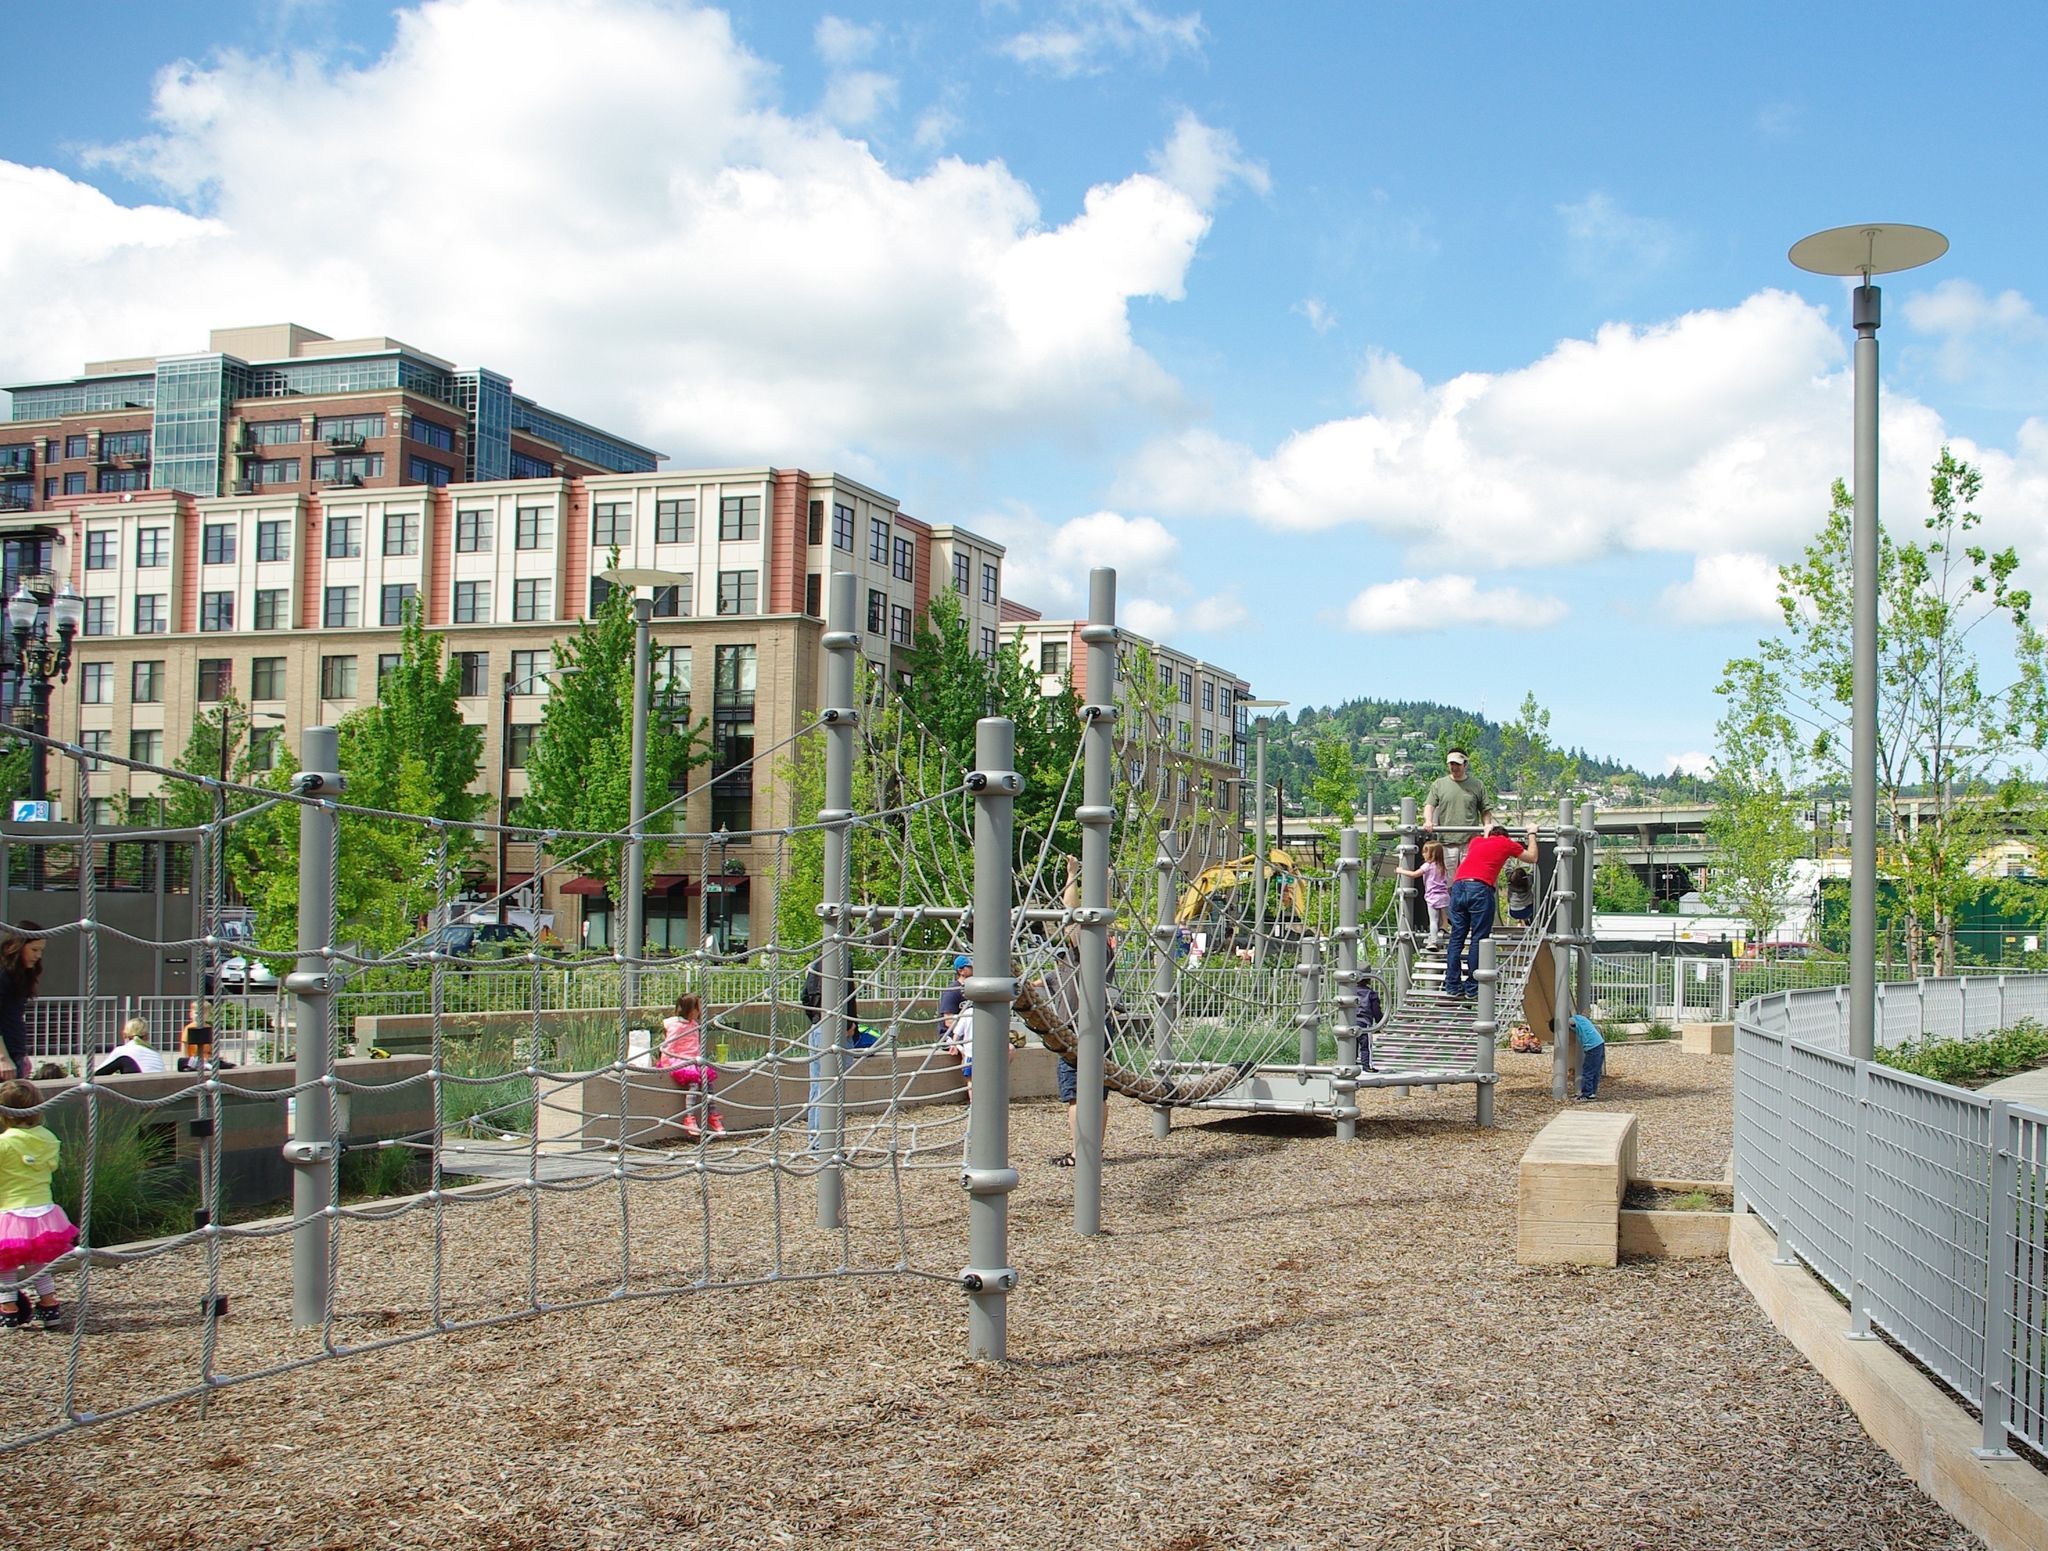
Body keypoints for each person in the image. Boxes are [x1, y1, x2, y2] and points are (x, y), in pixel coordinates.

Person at [0, 1078, 77, 1329]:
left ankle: (9, 1310)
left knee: (6, 1265)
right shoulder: (48, 1138)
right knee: (39, 1264)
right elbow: (51, 1165)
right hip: (44, 1212)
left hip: (11, 1212)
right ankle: (49, 1305)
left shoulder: (4, 1142)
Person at [1443, 822, 1538, 999]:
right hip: (1480, 888)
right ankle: (1472, 987)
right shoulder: (1506, 843)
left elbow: (1485, 843)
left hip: (1458, 886)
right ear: (1506, 836)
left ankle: (1452, 985)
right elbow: (1532, 857)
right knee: (1478, 938)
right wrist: (1532, 833)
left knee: (1457, 937)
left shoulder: (1476, 842)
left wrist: (1486, 833)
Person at [800, 958, 860, 1151]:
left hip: (820, 1027)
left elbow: (805, 997)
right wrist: (847, 1025)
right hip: (833, 1028)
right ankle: (822, 1144)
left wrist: (817, 1019)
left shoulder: (818, 963)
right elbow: (846, 996)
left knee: (819, 1086)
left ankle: (818, 1142)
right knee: (829, 1087)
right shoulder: (840, 960)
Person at [656, 994, 724, 1139]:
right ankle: (689, 1117)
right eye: (698, 1007)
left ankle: (712, 1115)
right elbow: (668, 1046)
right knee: (694, 1084)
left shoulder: (693, 1024)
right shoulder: (676, 1026)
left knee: (708, 1082)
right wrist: (665, 1064)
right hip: (680, 1060)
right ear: (691, 1009)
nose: (701, 1010)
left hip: (694, 1059)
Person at [0, 923, 47, 1083]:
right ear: (17, 947)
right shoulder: (3, 974)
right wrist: (2, 1058)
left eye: (41, 950)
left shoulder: (19, 976)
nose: (38, 955)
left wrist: (21, 1054)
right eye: (34, 950)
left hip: (14, 1054)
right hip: (5, 1058)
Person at [1395, 839, 1451, 947]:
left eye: (1425, 852)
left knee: (1433, 920)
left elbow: (1414, 874)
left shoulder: (1428, 865)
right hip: (1444, 895)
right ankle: (1443, 929)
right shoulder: (1442, 866)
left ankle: (1433, 941)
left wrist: (1400, 871)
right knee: (1444, 916)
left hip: (1432, 896)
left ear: (1432, 854)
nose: (1423, 854)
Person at [1422, 751, 1490, 836]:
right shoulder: (1439, 784)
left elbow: (1485, 810)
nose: (1454, 767)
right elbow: (1429, 805)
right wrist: (1428, 821)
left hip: (1471, 840)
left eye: (1457, 764)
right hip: (1446, 839)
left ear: (1465, 764)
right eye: (1451, 764)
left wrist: (1487, 829)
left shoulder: (1477, 785)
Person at [92, 1018, 166, 1076]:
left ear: (124, 1034)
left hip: (140, 1088)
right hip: (161, 1088)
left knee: (122, 1060)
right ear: (147, 1036)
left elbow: (97, 1074)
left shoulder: (122, 1050)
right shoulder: (154, 1052)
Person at [1571, 1012, 1607, 1102]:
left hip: (1592, 1047)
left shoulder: (1574, 1020)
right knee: (1595, 1071)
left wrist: (1561, 1023)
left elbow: (1570, 1022)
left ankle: (1587, 1094)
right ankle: (1592, 1093)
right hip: (1599, 1043)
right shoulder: (1581, 1019)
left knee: (1588, 1071)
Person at [1504, 862, 1537, 928]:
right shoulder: (1528, 881)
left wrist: (1508, 856)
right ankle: (1531, 922)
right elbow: (1534, 871)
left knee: (1522, 905)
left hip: (1513, 912)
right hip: (1526, 911)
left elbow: (1507, 868)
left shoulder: (1510, 881)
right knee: (1534, 902)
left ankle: (1522, 921)